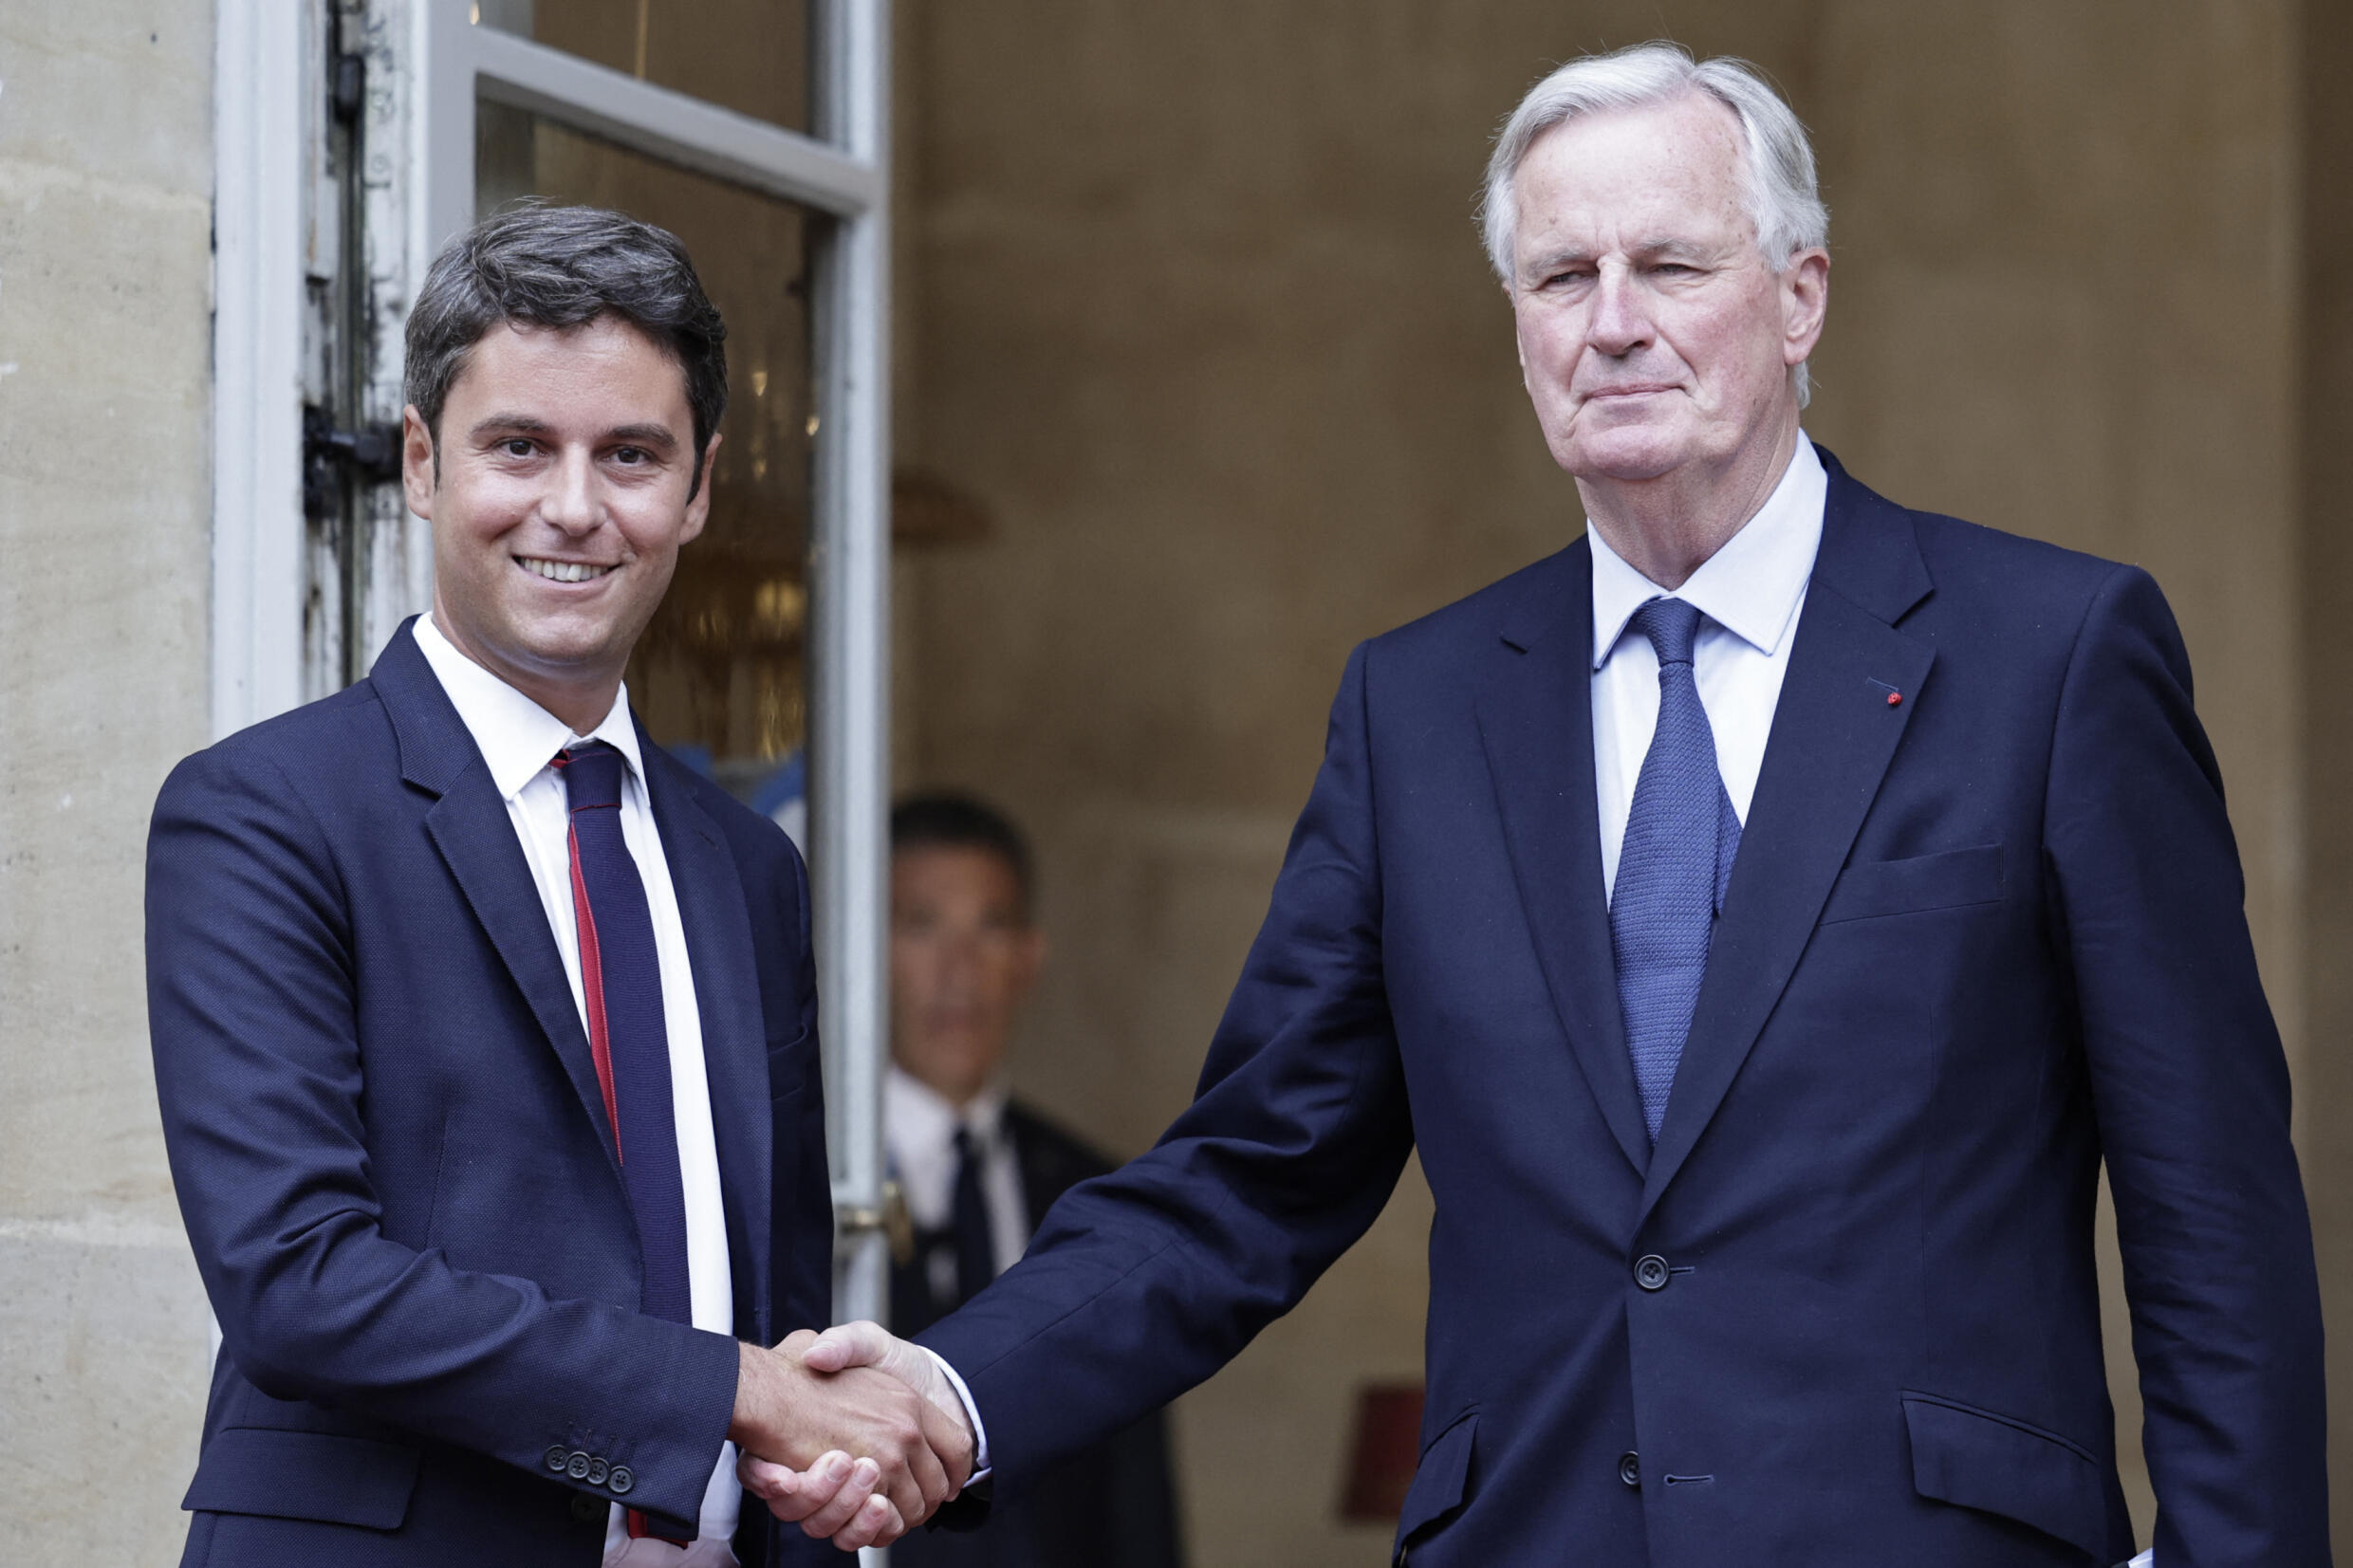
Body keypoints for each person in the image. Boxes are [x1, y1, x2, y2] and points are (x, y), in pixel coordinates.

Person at [758, 42, 2331, 1568]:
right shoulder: (1420, 707)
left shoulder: (2050, 655)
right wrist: (950, 1392)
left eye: (1672, 265)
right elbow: (1251, 1170)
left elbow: (2211, 1199)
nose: (1615, 322)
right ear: (1518, 328)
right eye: (1563, 278)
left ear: (1801, 298)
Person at [145, 204, 968, 1567]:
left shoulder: (748, 868)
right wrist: (732, 1391)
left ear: (698, 489)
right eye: (518, 446)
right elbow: (299, 1282)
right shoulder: (263, 813)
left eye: (631, 456)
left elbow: (776, 1304)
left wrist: (823, 1473)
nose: (575, 508)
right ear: (421, 462)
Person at [881, 793, 1184, 1568]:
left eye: (991, 926)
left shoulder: (1096, 1189)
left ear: (1029, 955)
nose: (959, 971)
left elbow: (1135, 1490)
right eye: (920, 924)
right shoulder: (812, 1184)